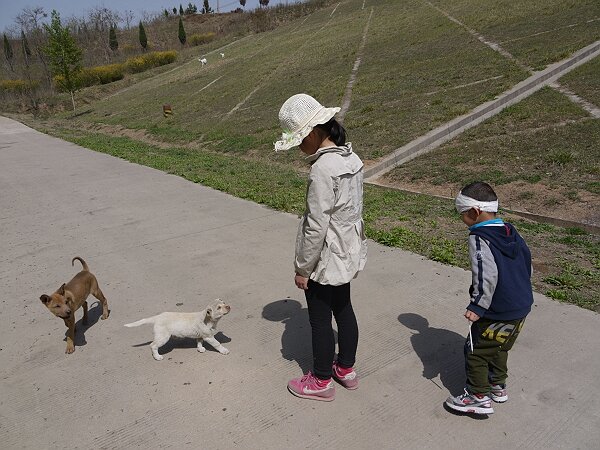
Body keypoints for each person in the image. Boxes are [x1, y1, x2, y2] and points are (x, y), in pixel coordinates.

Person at [274, 93, 368, 401]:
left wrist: (303, 268)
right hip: (347, 250)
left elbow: (316, 225)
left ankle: (320, 379)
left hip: (324, 256)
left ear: (313, 134)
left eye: (299, 141)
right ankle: (346, 368)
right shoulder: (351, 159)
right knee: (344, 308)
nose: (299, 148)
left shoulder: (322, 170)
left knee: (318, 320)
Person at [445, 182, 534, 415]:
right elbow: (528, 264)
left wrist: (477, 305)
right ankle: (497, 386)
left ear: (474, 212)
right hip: (521, 305)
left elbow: (485, 274)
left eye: (462, 215)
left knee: (475, 351)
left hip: (496, 308)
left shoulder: (479, 237)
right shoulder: (510, 230)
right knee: (499, 346)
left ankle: (477, 396)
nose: (462, 220)